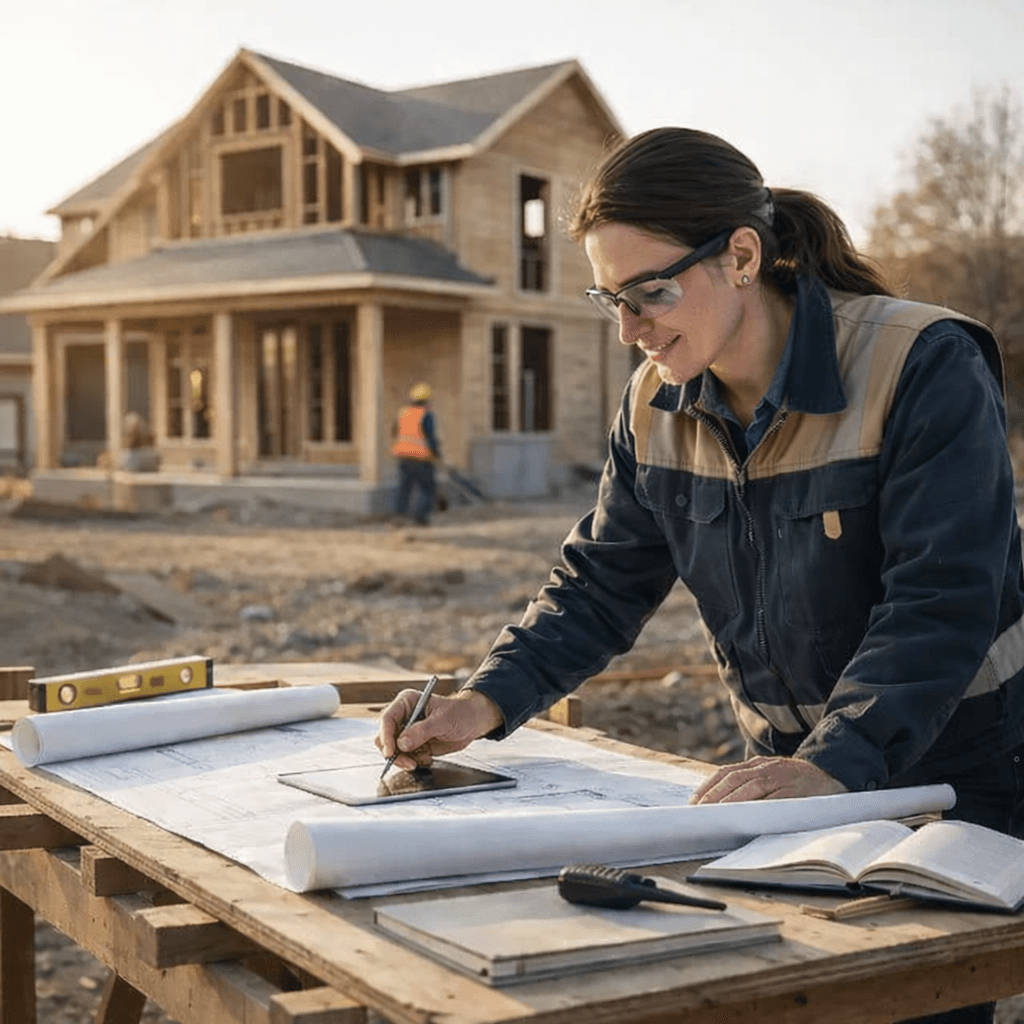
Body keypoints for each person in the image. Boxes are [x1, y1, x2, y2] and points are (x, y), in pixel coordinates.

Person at [377, 128, 1024, 1024]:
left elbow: (943, 596)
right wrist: (482, 702)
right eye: (610, 298)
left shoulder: (920, 365)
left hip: (954, 764)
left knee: (912, 1003)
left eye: (651, 292)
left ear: (744, 256)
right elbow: (599, 582)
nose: (628, 329)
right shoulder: (653, 402)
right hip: (787, 775)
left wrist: (838, 761)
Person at [391, 382, 440, 526]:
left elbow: (394, 432)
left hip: (403, 457)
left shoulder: (403, 413)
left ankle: (399, 515)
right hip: (421, 458)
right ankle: (421, 517)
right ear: (426, 400)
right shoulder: (426, 415)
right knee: (427, 488)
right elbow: (430, 437)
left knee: (404, 487)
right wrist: (436, 453)